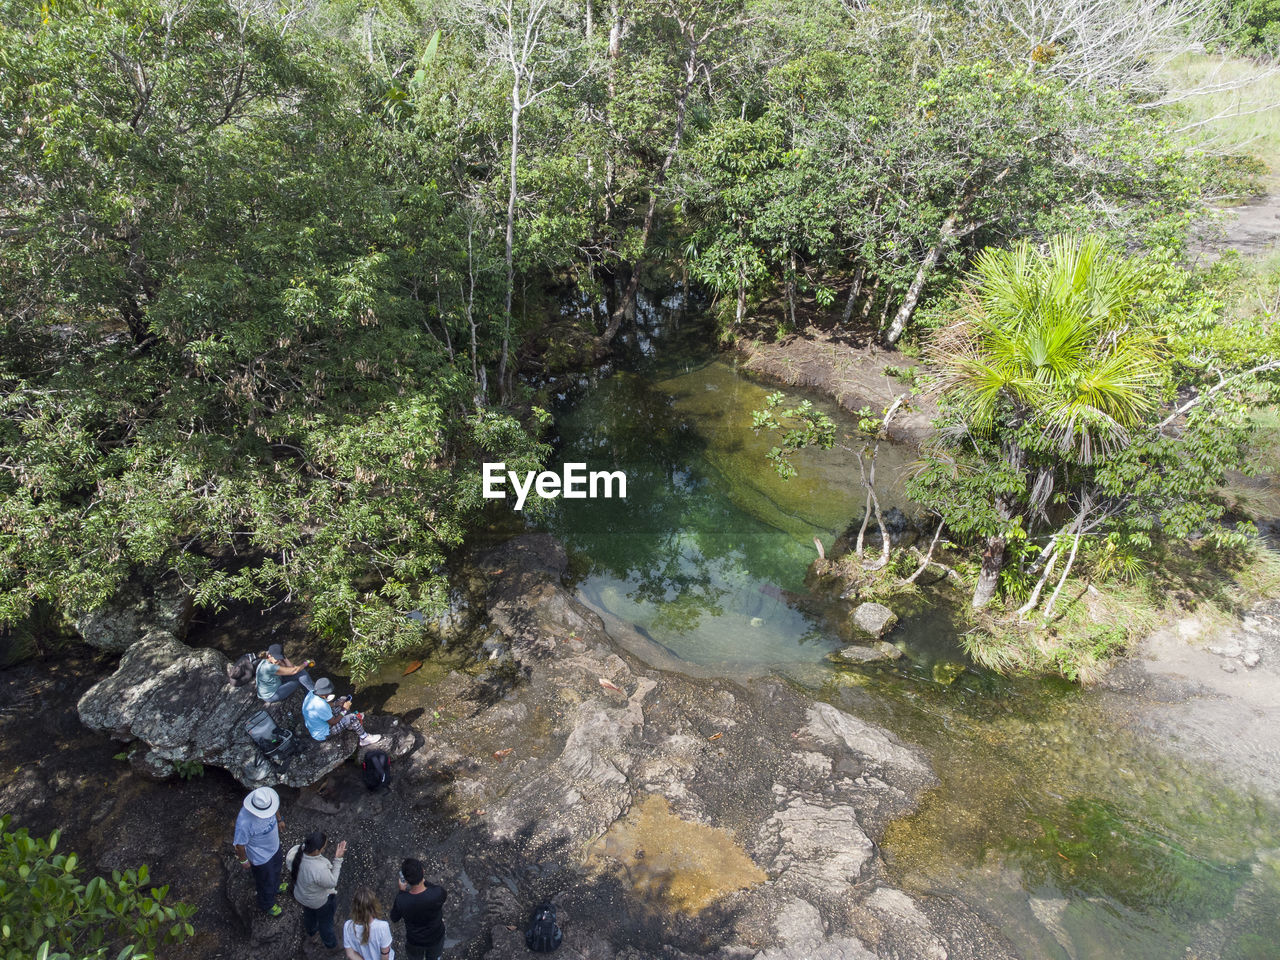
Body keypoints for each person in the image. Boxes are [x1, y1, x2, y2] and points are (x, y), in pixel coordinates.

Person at [233, 786, 287, 917]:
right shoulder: (244, 822)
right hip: (261, 857)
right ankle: (267, 903)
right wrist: (244, 860)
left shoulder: (267, 799)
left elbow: (274, 808)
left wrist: (279, 820)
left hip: (274, 846)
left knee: (276, 868)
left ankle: (275, 886)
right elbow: (239, 845)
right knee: (264, 881)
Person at [287, 830, 346, 949]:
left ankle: (311, 933)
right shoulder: (318, 870)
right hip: (319, 902)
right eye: (323, 848)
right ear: (315, 850)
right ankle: (330, 944)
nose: (323, 850)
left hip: (301, 896)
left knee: (309, 915)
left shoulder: (295, 852)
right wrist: (338, 859)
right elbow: (332, 882)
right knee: (325, 923)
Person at [391, 858, 447, 960]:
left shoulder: (402, 900)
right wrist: (425, 882)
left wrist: (401, 892)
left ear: (406, 880)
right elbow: (439, 892)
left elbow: (394, 918)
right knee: (434, 957)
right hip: (436, 937)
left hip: (415, 941)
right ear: (423, 871)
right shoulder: (437, 893)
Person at [303, 677, 381, 747]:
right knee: (352, 717)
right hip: (324, 733)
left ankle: (350, 725)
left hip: (316, 727)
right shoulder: (320, 705)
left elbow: (325, 705)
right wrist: (344, 710)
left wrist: (337, 703)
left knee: (342, 700)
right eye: (329, 692)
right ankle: (364, 738)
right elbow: (333, 722)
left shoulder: (312, 693)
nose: (330, 693)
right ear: (325, 693)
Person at [343, 887, 394, 960]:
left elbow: (350, 954)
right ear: (373, 906)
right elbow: (385, 956)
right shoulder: (383, 927)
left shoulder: (347, 926)